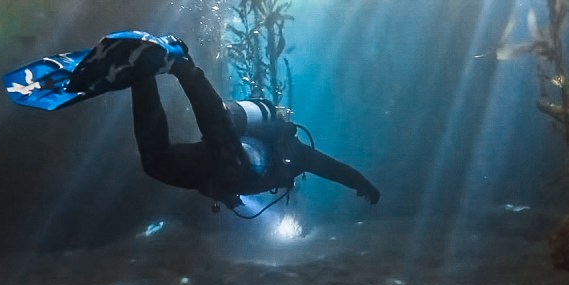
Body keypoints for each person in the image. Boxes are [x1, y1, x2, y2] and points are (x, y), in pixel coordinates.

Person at [128, 35, 381, 211]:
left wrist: (229, 200)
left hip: (212, 168)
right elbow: (332, 168)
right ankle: (182, 66)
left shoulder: (293, 155)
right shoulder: (295, 154)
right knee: (221, 140)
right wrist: (363, 184)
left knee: (156, 163)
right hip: (223, 158)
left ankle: (141, 77)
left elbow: (333, 169)